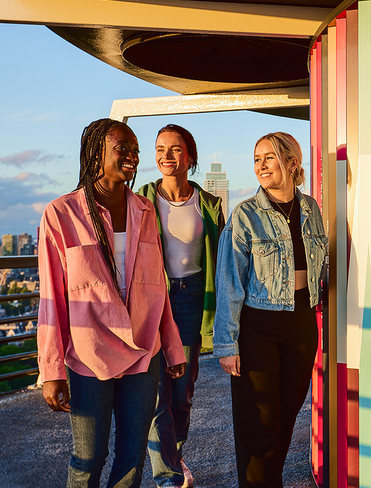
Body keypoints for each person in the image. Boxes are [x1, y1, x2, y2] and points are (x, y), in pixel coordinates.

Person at [38, 118, 187, 488]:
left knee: (133, 455)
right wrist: (52, 370)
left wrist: (172, 348)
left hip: (143, 351)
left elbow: (157, 287)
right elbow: (51, 298)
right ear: (95, 155)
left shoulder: (145, 210)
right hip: (90, 355)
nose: (133, 157)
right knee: (88, 458)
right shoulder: (60, 214)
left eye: (136, 150)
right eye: (123, 148)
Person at [214, 132, 327, 487]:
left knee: (285, 417)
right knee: (257, 422)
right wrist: (228, 344)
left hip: (301, 323)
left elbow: (321, 266)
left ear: (292, 162)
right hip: (258, 325)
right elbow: (229, 282)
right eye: (257, 158)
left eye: (269, 157)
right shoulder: (245, 214)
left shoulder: (310, 209)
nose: (261, 165)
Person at [136, 124, 225, 488]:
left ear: (190, 156)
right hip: (151, 298)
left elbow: (220, 258)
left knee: (182, 390)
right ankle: (168, 475)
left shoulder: (208, 203)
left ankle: (176, 453)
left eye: (175, 149)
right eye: (159, 149)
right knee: (155, 391)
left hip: (191, 299)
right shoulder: (140, 199)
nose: (166, 156)